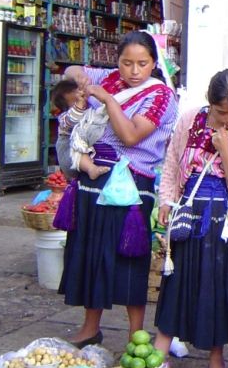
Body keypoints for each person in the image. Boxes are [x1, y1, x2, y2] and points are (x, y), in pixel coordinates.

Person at [57, 31, 178, 347]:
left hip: (131, 184)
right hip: (92, 179)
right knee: (90, 249)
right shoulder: (109, 78)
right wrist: (82, 81)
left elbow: (130, 136)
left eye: (142, 63)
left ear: (154, 63)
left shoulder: (161, 96)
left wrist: (108, 100)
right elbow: (71, 72)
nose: (134, 71)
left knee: (128, 257)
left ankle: (135, 334)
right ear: (117, 62)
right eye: (127, 63)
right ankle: (90, 326)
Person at [153, 69, 228, 368]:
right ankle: (160, 349)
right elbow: (173, 163)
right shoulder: (190, 120)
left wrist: (226, 149)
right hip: (188, 213)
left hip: (224, 219)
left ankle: (216, 356)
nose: (225, 119)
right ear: (209, 103)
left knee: (217, 285)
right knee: (178, 280)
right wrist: (166, 200)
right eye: (219, 112)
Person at [52, 79, 110, 181]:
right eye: (76, 101)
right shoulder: (64, 118)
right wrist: (79, 105)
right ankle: (91, 169)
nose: (82, 101)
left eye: (82, 97)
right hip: (68, 155)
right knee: (78, 146)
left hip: (85, 150)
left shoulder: (89, 110)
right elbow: (72, 120)